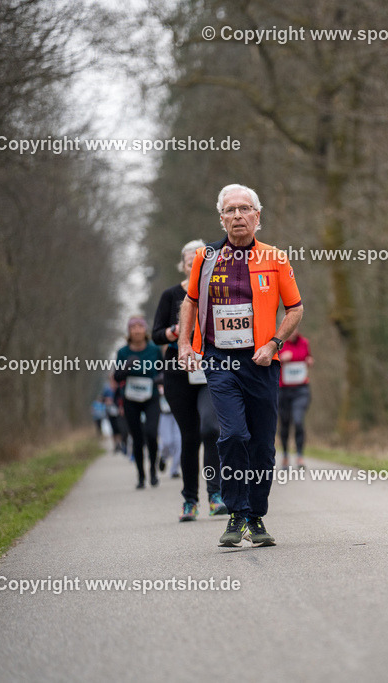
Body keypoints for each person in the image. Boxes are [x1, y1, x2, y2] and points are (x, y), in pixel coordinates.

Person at [178, 183, 303, 548]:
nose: (237, 216)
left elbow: (295, 308)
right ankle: (235, 512)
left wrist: (275, 343)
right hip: (219, 361)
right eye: (230, 210)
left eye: (244, 209)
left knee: (263, 446)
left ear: (257, 216)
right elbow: (189, 301)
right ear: (221, 218)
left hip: (262, 362)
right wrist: (186, 343)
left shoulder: (276, 258)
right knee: (232, 435)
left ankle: (256, 516)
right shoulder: (205, 257)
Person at [153, 239, 227, 522]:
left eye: (199, 258)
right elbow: (156, 334)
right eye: (188, 259)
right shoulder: (170, 295)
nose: (193, 262)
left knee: (211, 428)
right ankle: (190, 500)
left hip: (209, 366)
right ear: (183, 264)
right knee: (190, 436)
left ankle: (216, 495)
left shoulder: (217, 292)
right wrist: (175, 332)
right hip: (177, 369)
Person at [114, 316, 164, 488]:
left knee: (151, 433)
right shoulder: (122, 352)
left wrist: (160, 379)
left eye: (139, 326)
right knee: (137, 437)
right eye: (133, 327)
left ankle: (153, 472)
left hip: (151, 397)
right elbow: (116, 377)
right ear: (129, 331)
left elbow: (164, 370)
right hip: (130, 399)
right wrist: (126, 367)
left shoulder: (154, 349)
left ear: (145, 330)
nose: (136, 330)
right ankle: (141, 476)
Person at [277, 330, 312, 470]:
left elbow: (309, 357)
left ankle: (299, 456)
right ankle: (285, 455)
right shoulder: (279, 343)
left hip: (301, 389)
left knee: (298, 420)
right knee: (285, 423)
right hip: (283, 390)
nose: (293, 332)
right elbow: (269, 362)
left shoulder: (304, 342)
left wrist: (310, 360)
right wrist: (280, 359)